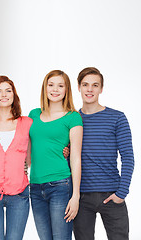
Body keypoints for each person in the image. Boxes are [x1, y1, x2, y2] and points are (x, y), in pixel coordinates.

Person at [73, 67, 134, 240]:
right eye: (85, 85)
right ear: (78, 87)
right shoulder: (72, 119)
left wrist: (122, 192)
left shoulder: (117, 118)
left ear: (101, 88)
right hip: (81, 197)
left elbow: (128, 157)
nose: (90, 89)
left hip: (112, 194)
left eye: (95, 85)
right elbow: (70, 156)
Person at [29, 70, 83, 240]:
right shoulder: (33, 115)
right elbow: (25, 150)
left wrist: (75, 196)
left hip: (60, 185)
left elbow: (75, 157)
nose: (55, 89)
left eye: (60, 85)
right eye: (51, 85)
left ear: (67, 90)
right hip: (35, 187)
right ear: (45, 88)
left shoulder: (73, 117)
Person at [0, 76, 32, 240]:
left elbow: (39, 148)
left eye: (8, 91)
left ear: (14, 95)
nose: (4, 95)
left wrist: (65, 149)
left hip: (19, 193)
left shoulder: (27, 123)